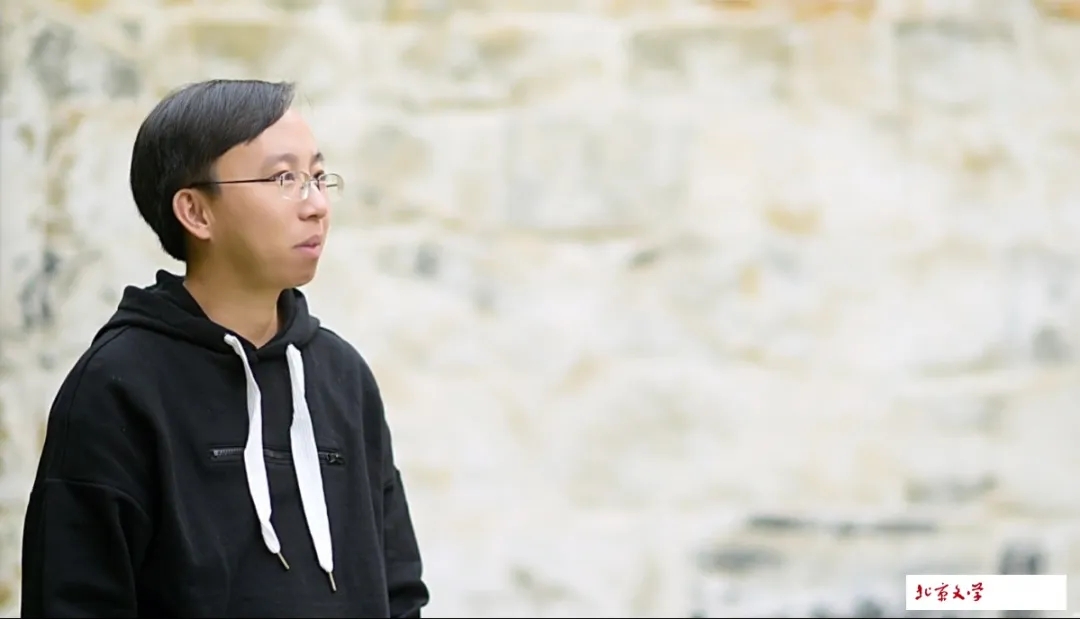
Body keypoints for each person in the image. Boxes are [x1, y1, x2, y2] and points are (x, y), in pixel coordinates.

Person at [19, 79, 429, 618]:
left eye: (318, 176)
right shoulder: (117, 386)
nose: (316, 205)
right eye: (284, 178)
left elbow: (399, 592)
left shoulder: (343, 376)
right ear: (196, 212)